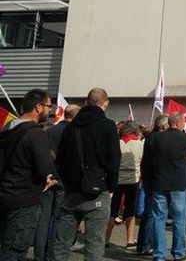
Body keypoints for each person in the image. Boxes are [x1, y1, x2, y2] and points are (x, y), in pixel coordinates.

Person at [53, 88, 121, 261]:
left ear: (87, 101)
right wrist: (111, 186)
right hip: (98, 189)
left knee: (61, 243)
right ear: (105, 103)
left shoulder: (71, 127)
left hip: (72, 191)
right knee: (95, 243)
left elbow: (60, 159)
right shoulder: (107, 126)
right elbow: (114, 160)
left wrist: (68, 182)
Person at [0, 89, 56, 261]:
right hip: (24, 200)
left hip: (4, 195)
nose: (50, 110)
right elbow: (44, 168)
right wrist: (48, 177)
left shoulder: (7, 128)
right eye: (48, 106)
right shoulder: (36, 133)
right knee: (14, 251)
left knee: (5, 246)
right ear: (38, 107)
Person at [34, 104, 80, 261]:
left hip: (48, 177)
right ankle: (51, 254)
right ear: (75, 116)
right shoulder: (74, 132)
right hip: (63, 180)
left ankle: (39, 254)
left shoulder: (50, 130)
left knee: (44, 217)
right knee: (58, 218)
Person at [150, 112, 186, 261]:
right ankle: (179, 253)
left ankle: (159, 254)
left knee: (158, 219)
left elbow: (151, 157)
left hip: (160, 182)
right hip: (179, 183)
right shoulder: (185, 137)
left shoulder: (157, 137)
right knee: (179, 219)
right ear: (179, 123)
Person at [105, 120, 144, 248]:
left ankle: (105, 239)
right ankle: (130, 239)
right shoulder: (140, 145)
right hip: (133, 181)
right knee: (130, 211)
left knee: (112, 211)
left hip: (117, 180)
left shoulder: (116, 144)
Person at [136, 113, 169, 257]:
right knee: (151, 213)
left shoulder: (151, 136)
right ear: (163, 126)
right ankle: (146, 245)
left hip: (149, 178)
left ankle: (144, 244)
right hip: (154, 180)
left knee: (150, 213)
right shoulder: (157, 138)